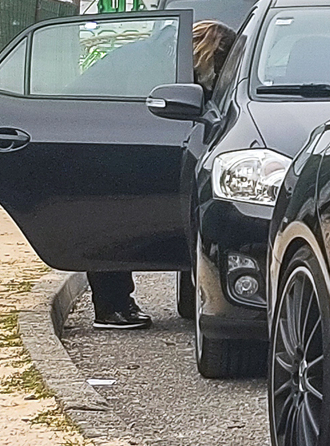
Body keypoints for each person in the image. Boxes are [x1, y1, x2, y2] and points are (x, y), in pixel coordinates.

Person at [89, 17, 239, 330]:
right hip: (107, 144)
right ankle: (111, 305)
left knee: (113, 218)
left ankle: (115, 303)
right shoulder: (152, 66)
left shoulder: (154, 57)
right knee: (115, 221)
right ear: (208, 54)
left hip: (100, 136)